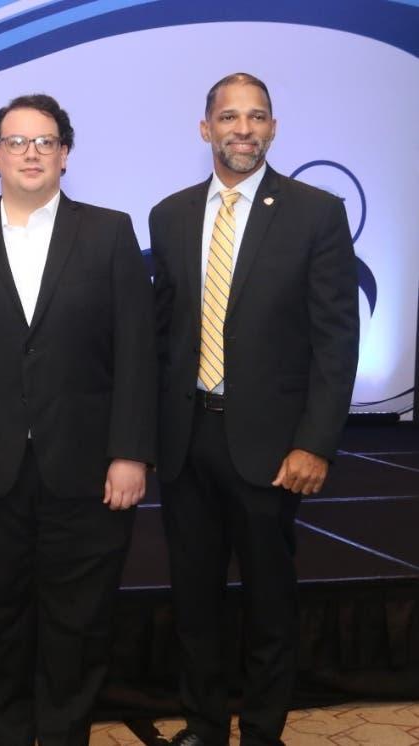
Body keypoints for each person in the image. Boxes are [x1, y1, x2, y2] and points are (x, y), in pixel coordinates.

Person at [0, 94, 157, 746]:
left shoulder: (108, 232)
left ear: (64, 154)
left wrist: (131, 452)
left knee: (78, 625)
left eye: (43, 141)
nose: (30, 153)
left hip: (88, 470)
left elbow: (137, 352)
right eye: (16, 141)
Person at [150, 73, 359, 746]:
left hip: (272, 449)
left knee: (270, 603)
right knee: (194, 603)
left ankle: (262, 732)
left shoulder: (314, 213)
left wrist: (315, 443)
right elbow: (164, 333)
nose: (243, 128)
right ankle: (205, 725)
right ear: (204, 128)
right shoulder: (169, 214)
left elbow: (335, 339)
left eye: (257, 117)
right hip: (185, 443)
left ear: (271, 129)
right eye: (229, 116)